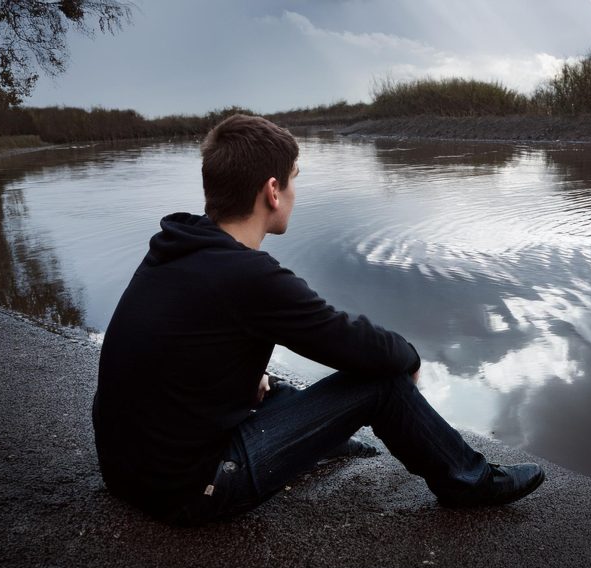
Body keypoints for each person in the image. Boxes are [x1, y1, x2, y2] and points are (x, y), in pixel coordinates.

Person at [91, 114, 545, 525]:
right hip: (190, 490)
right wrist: (408, 356)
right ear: (272, 191)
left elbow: (176, 351)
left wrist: (246, 377)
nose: (293, 192)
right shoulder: (249, 276)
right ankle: (469, 481)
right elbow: (348, 340)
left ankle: (320, 441)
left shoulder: (176, 246)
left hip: (125, 472)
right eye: (292, 180)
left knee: (274, 388)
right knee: (381, 382)